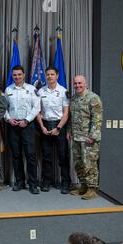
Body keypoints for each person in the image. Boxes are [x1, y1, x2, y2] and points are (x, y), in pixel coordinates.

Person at [4, 65, 41, 194]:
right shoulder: (8, 89)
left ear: (24, 75)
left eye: (19, 74)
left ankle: (33, 184)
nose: (17, 77)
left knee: (30, 155)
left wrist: (27, 120)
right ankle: (19, 182)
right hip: (13, 126)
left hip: (28, 126)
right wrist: (8, 119)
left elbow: (36, 107)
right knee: (16, 155)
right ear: (12, 76)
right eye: (15, 75)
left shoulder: (31, 89)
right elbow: (4, 108)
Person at [36, 66, 71, 194]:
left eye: (52, 74)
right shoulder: (40, 92)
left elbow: (66, 113)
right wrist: (42, 127)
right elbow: (37, 111)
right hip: (45, 125)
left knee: (63, 156)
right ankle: (46, 181)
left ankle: (66, 182)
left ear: (57, 76)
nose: (50, 76)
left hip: (59, 125)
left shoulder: (63, 91)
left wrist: (58, 128)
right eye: (48, 74)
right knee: (46, 157)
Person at [67, 75, 103, 200]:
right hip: (76, 137)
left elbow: (97, 119)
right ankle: (83, 186)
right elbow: (70, 118)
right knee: (78, 164)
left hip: (88, 139)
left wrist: (92, 136)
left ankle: (92, 188)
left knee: (90, 164)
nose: (77, 85)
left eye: (80, 83)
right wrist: (69, 131)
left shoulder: (93, 98)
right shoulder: (73, 99)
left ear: (85, 83)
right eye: (75, 83)